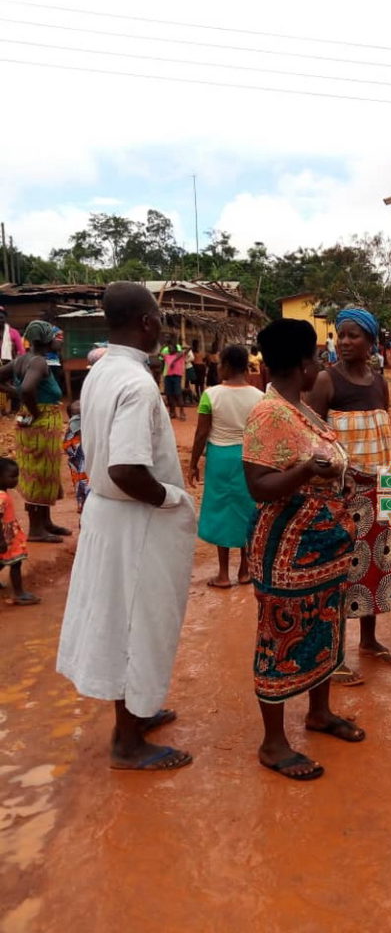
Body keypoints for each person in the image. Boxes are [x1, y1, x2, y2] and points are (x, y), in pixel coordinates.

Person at [57, 282, 196, 771]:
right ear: (146, 322)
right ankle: (127, 743)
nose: (160, 324)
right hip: (132, 522)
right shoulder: (135, 384)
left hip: (109, 517)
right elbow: (126, 469)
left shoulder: (103, 371)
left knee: (123, 618)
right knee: (135, 625)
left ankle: (137, 713)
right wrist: (171, 499)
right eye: (158, 316)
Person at [242, 319, 364, 781]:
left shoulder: (302, 410)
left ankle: (319, 712)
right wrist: (305, 472)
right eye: (315, 356)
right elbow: (259, 486)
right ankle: (273, 743)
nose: (321, 363)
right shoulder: (269, 413)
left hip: (323, 546)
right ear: (300, 364)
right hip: (287, 549)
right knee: (281, 635)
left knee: (325, 624)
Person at [310, 308, 391, 684]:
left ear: (371, 340)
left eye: (354, 335)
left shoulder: (380, 382)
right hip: (343, 495)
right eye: (342, 335)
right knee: (339, 573)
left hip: (380, 490)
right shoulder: (326, 380)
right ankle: (333, 656)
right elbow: (316, 439)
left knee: (375, 566)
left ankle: (369, 641)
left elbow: (381, 431)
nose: (346, 342)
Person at [188, 344, 264, 588]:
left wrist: (193, 464)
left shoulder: (211, 394)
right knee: (246, 508)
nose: (218, 367)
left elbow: (201, 433)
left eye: (220, 363)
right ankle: (244, 570)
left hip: (220, 458)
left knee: (221, 509)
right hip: (248, 458)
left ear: (228, 366)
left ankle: (223, 573)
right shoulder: (259, 396)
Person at [0, 321, 71, 543]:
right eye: (55, 337)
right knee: (39, 473)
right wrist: (35, 411)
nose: (58, 341)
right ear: (46, 340)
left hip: (30, 420)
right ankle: (36, 529)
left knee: (42, 471)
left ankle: (45, 522)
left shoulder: (21, 360)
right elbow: (29, 388)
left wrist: (17, 394)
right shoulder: (39, 362)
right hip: (41, 421)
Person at [0, 457, 40, 606]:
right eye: (12, 476)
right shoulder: (1, 496)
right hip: (7, 537)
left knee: (3, 560)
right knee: (15, 563)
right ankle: (19, 593)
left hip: (6, 536)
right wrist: (2, 540)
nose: (16, 480)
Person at [62, 401, 90, 514]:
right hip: (79, 467)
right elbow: (68, 448)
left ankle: (84, 506)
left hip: (84, 466)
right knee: (82, 485)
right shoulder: (73, 430)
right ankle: (83, 506)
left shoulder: (87, 428)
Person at [0, 306, 24, 416]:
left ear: (5, 317)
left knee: (13, 385)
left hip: (10, 364)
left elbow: (21, 351)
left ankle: (14, 411)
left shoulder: (13, 332)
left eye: (2, 316)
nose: (0, 318)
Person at [161, 338, 186, 420]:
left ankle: (182, 412)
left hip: (176, 376)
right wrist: (163, 347)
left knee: (178, 394)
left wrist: (174, 360)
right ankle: (172, 412)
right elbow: (159, 355)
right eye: (169, 348)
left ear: (176, 349)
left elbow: (187, 349)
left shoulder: (180, 356)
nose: (170, 349)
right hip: (168, 376)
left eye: (171, 348)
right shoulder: (167, 356)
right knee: (169, 394)